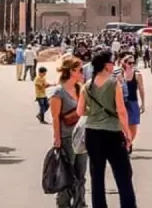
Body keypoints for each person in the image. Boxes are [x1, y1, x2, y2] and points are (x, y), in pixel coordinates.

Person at [78, 50, 137, 208]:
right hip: (112, 132)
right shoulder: (113, 83)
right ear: (105, 66)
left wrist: (94, 113)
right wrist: (127, 133)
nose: (113, 64)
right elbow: (121, 110)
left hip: (92, 132)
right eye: (111, 62)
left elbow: (79, 111)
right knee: (123, 174)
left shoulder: (87, 85)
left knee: (97, 176)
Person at [49, 56, 88, 208]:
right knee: (67, 174)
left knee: (81, 174)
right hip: (67, 138)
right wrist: (57, 138)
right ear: (71, 71)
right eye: (79, 70)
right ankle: (63, 204)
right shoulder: (58, 92)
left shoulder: (80, 89)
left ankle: (80, 203)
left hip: (82, 137)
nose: (82, 72)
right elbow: (55, 118)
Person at [120, 55, 145, 152]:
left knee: (133, 126)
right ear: (124, 63)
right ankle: (125, 143)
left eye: (133, 63)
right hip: (122, 102)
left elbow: (141, 89)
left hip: (133, 102)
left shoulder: (137, 74)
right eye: (129, 63)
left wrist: (143, 103)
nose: (131, 65)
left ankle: (129, 142)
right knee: (122, 125)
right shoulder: (119, 74)